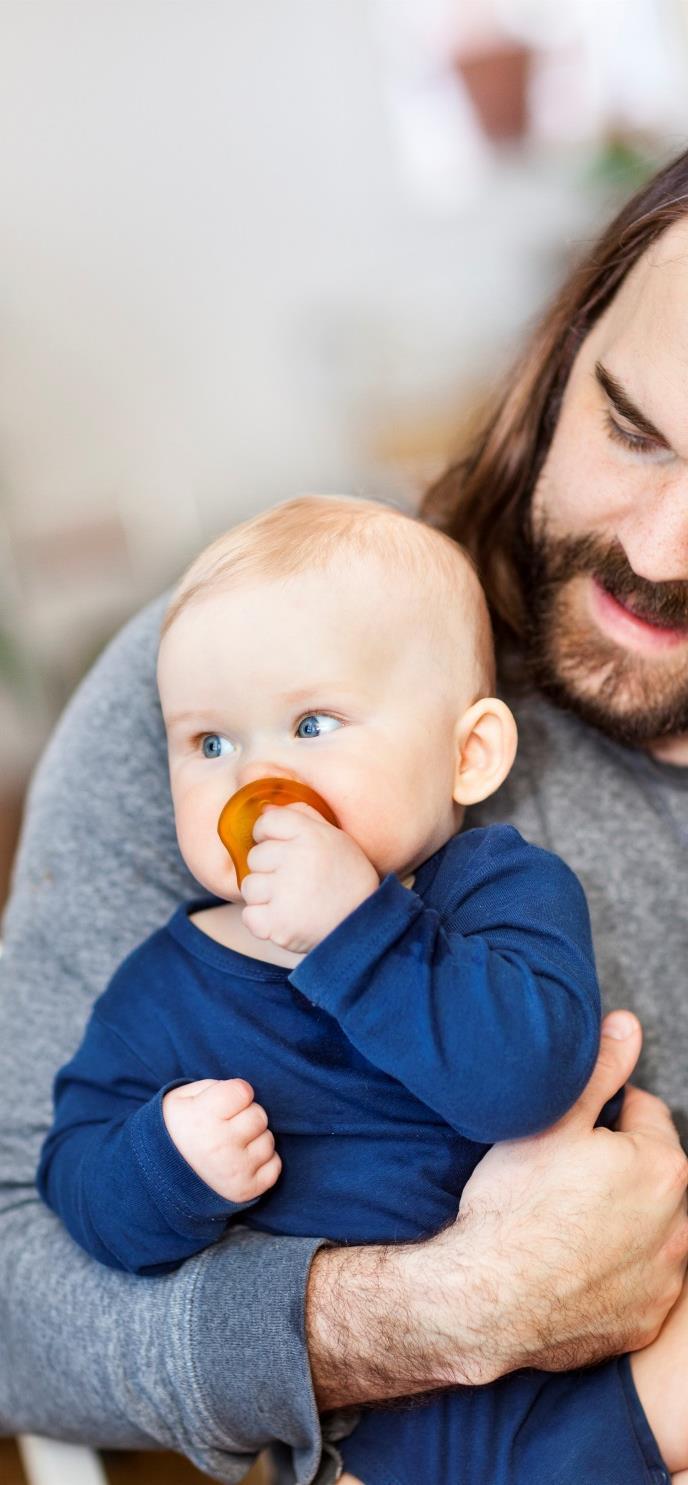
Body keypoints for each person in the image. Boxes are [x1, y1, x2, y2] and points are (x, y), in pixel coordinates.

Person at [2, 150, 688, 1485]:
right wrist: (435, 1312)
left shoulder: (491, 885)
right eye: (631, 429)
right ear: (558, 369)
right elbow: (20, 1285)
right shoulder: (267, 650)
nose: (660, 551)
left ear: (468, 754)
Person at [40, 493, 644, 1484]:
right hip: (377, 1437)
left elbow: (523, 1083)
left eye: (312, 723)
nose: (252, 778)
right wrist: (163, 1167)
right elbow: (75, 1176)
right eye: (209, 744)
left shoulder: (504, 893)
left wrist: (354, 930)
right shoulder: (166, 983)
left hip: (596, 1380)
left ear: (468, 754)